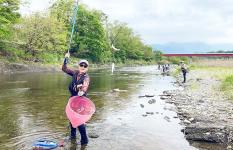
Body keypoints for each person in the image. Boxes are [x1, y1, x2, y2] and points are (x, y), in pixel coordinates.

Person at [62, 52, 90, 146]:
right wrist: (66, 59)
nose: (82, 67)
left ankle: (84, 140)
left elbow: (85, 85)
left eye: (85, 66)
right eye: (81, 65)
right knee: (71, 118)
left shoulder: (86, 77)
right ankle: (73, 136)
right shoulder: (75, 73)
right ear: (78, 66)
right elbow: (64, 69)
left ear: (87, 68)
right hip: (73, 99)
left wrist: (81, 90)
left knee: (79, 120)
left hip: (81, 101)